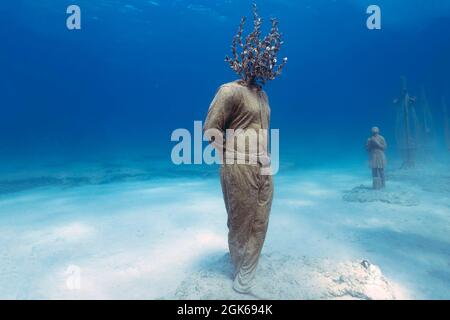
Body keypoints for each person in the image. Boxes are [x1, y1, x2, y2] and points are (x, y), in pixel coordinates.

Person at [203, 4, 286, 294]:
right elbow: (211, 130)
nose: (262, 63)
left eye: (267, 58)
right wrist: (231, 158)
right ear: (244, 58)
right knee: (240, 220)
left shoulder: (262, 95)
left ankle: (250, 264)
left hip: (265, 165)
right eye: (257, 56)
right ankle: (240, 270)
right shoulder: (230, 91)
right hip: (239, 165)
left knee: (261, 220)